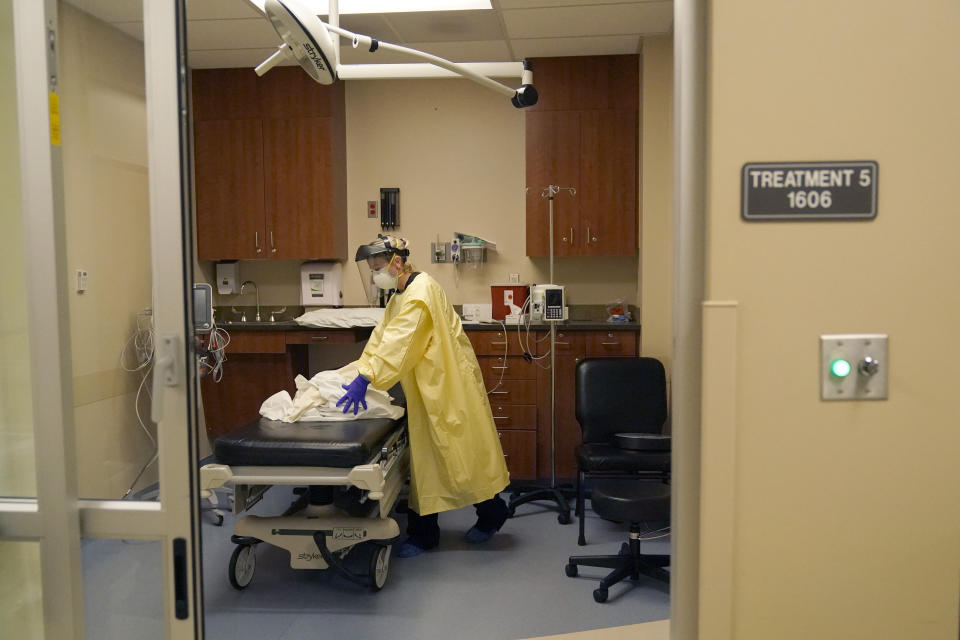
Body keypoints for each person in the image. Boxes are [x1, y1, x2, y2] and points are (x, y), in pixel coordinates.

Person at [337, 235, 511, 557]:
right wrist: (356, 371)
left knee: (458, 453)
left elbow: (401, 343)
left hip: (445, 385)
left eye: (378, 267)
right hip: (425, 385)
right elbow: (381, 339)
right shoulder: (398, 297)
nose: (375, 275)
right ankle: (426, 531)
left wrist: (368, 376)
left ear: (397, 262)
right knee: (429, 458)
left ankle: (491, 513)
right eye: (372, 269)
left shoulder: (420, 292)